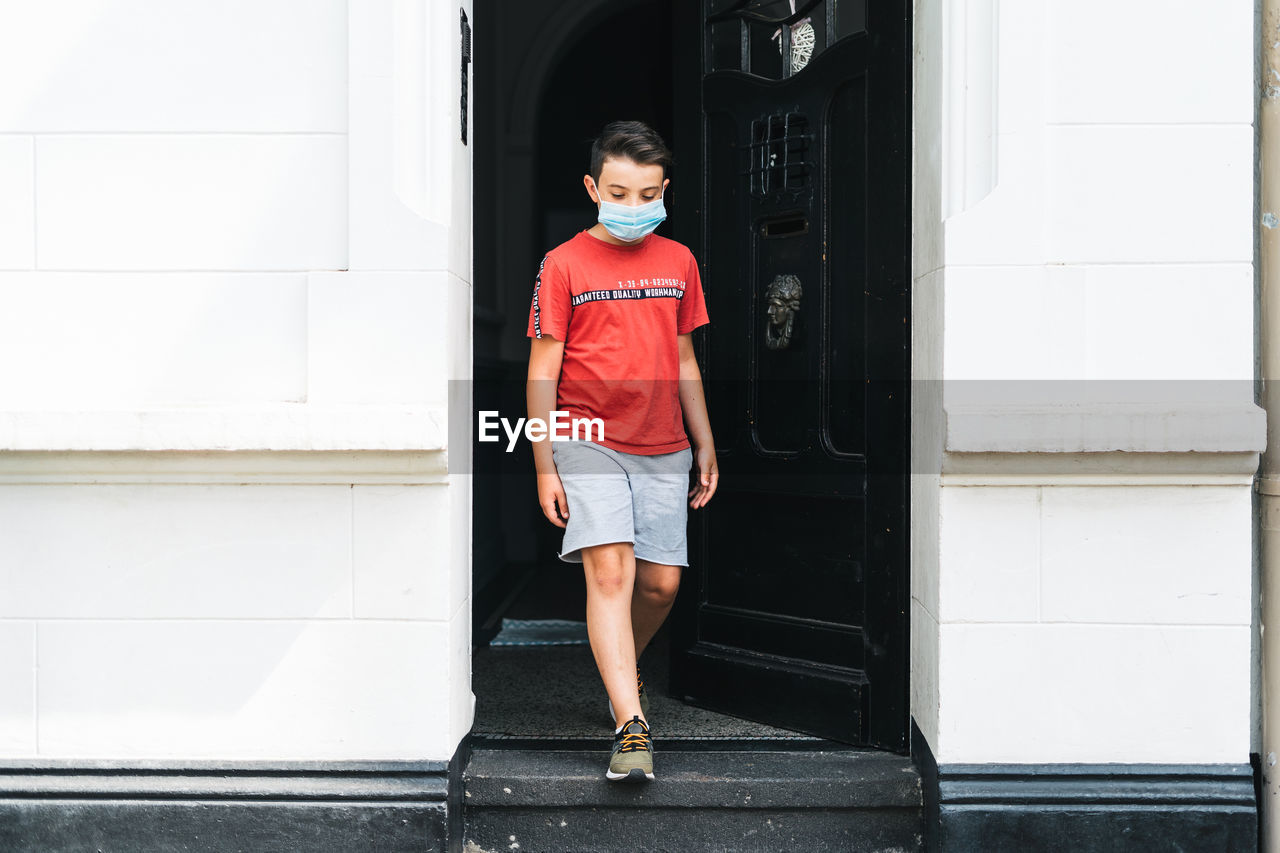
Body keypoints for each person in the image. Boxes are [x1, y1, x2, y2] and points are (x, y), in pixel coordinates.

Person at [525, 120, 718, 782]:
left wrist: (705, 438)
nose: (632, 207)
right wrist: (543, 460)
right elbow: (542, 369)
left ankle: (618, 674)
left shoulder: (679, 262)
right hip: (585, 436)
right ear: (592, 187)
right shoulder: (564, 263)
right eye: (617, 192)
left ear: (664, 191)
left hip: (664, 441)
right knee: (612, 573)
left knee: (661, 584)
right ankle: (632, 726)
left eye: (646, 194)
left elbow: (685, 357)